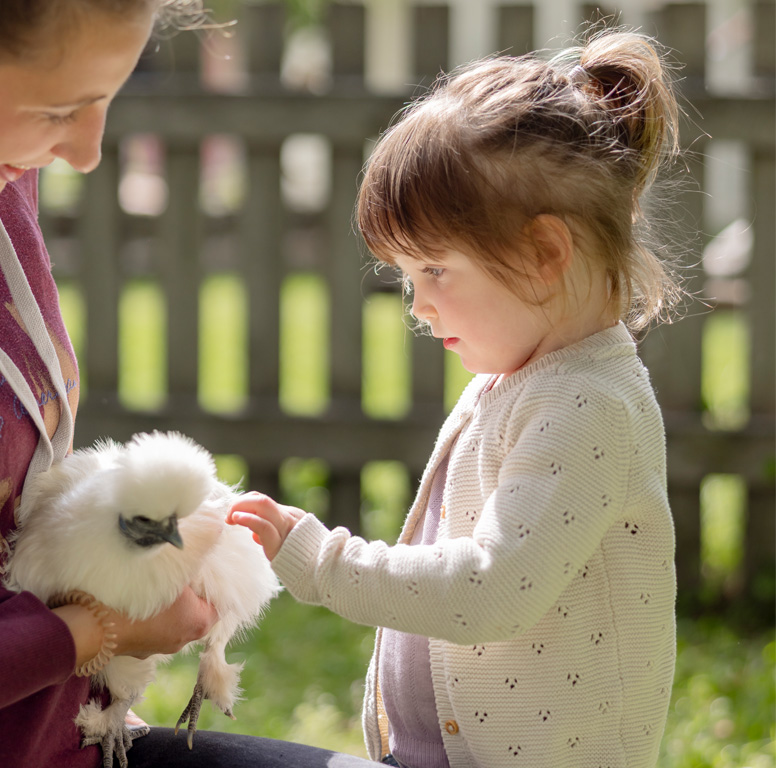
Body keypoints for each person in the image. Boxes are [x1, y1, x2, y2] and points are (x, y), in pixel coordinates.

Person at [0, 2, 380, 767]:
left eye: (106, 97)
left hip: (71, 739)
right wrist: (86, 633)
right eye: (59, 109)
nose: (85, 152)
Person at [230, 29, 683, 768]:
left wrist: (320, 561)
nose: (418, 303)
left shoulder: (588, 406)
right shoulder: (520, 380)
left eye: (435, 269)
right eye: (408, 275)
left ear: (544, 254)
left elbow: (489, 590)